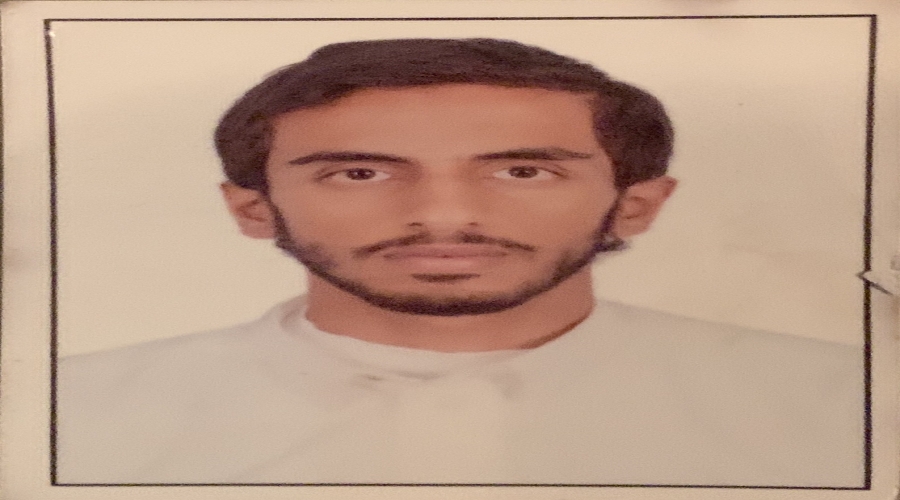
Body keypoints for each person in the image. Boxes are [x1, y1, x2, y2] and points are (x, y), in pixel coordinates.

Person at [58, 38, 864, 486]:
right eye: (359, 172)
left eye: (523, 170)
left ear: (637, 204)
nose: (444, 216)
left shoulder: (850, 405)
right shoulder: (71, 414)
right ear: (253, 209)